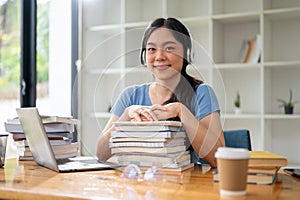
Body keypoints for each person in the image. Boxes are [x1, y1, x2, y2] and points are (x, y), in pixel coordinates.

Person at [96, 17, 225, 167]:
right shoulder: (130, 96)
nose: (159, 56)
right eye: (151, 49)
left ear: (186, 53)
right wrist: (127, 114)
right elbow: (101, 153)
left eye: (169, 48)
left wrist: (180, 110)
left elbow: (218, 158)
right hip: (136, 184)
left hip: (183, 184)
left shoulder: (201, 93)